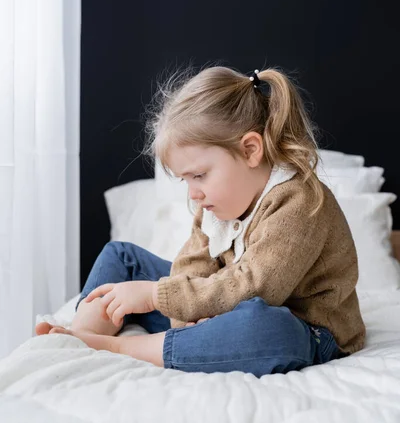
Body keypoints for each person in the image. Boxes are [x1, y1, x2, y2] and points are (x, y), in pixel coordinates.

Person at [36, 65, 366, 378]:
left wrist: (155, 297)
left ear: (250, 150)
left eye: (199, 175)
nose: (194, 193)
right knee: (121, 257)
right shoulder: (213, 202)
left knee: (266, 328)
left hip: (308, 328)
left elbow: (257, 287)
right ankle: (79, 336)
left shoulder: (298, 200)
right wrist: (185, 320)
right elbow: (191, 267)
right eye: (186, 180)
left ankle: (119, 347)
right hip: (222, 303)